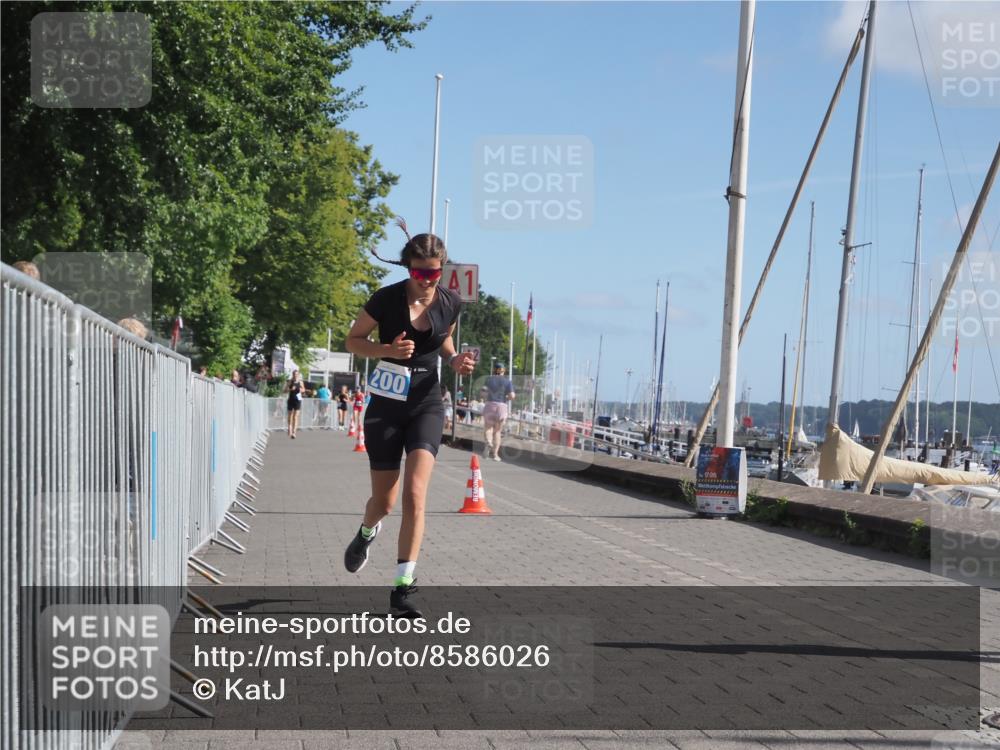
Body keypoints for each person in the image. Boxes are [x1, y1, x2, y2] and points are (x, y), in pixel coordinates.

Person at [342, 218, 475, 619]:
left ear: (443, 269)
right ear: (407, 268)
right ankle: (366, 533)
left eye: (434, 272)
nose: (427, 280)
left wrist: (453, 359)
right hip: (385, 404)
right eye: (419, 272)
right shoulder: (385, 299)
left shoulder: (450, 301)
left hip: (425, 403)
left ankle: (402, 588)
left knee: (416, 495)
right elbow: (353, 340)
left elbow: (444, 338)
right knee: (385, 502)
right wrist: (385, 348)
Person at [481, 362, 515, 461]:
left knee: (488, 428)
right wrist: (507, 397)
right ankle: (495, 455)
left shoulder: (488, 380)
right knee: (497, 431)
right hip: (502, 406)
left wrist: (486, 396)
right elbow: (512, 396)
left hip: (490, 405)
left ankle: (488, 442)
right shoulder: (507, 382)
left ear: (494, 370)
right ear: (503, 371)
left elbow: (483, 393)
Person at [285, 369, 305, 439]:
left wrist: (300, 390)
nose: (295, 376)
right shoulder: (290, 381)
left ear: (298, 375)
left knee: (295, 416)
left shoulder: (300, 382)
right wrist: (291, 389)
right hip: (291, 399)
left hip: (298, 400)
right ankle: (289, 428)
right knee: (290, 415)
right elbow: (284, 390)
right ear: (292, 375)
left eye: (296, 374)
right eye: (294, 374)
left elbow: (303, 390)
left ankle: (294, 432)